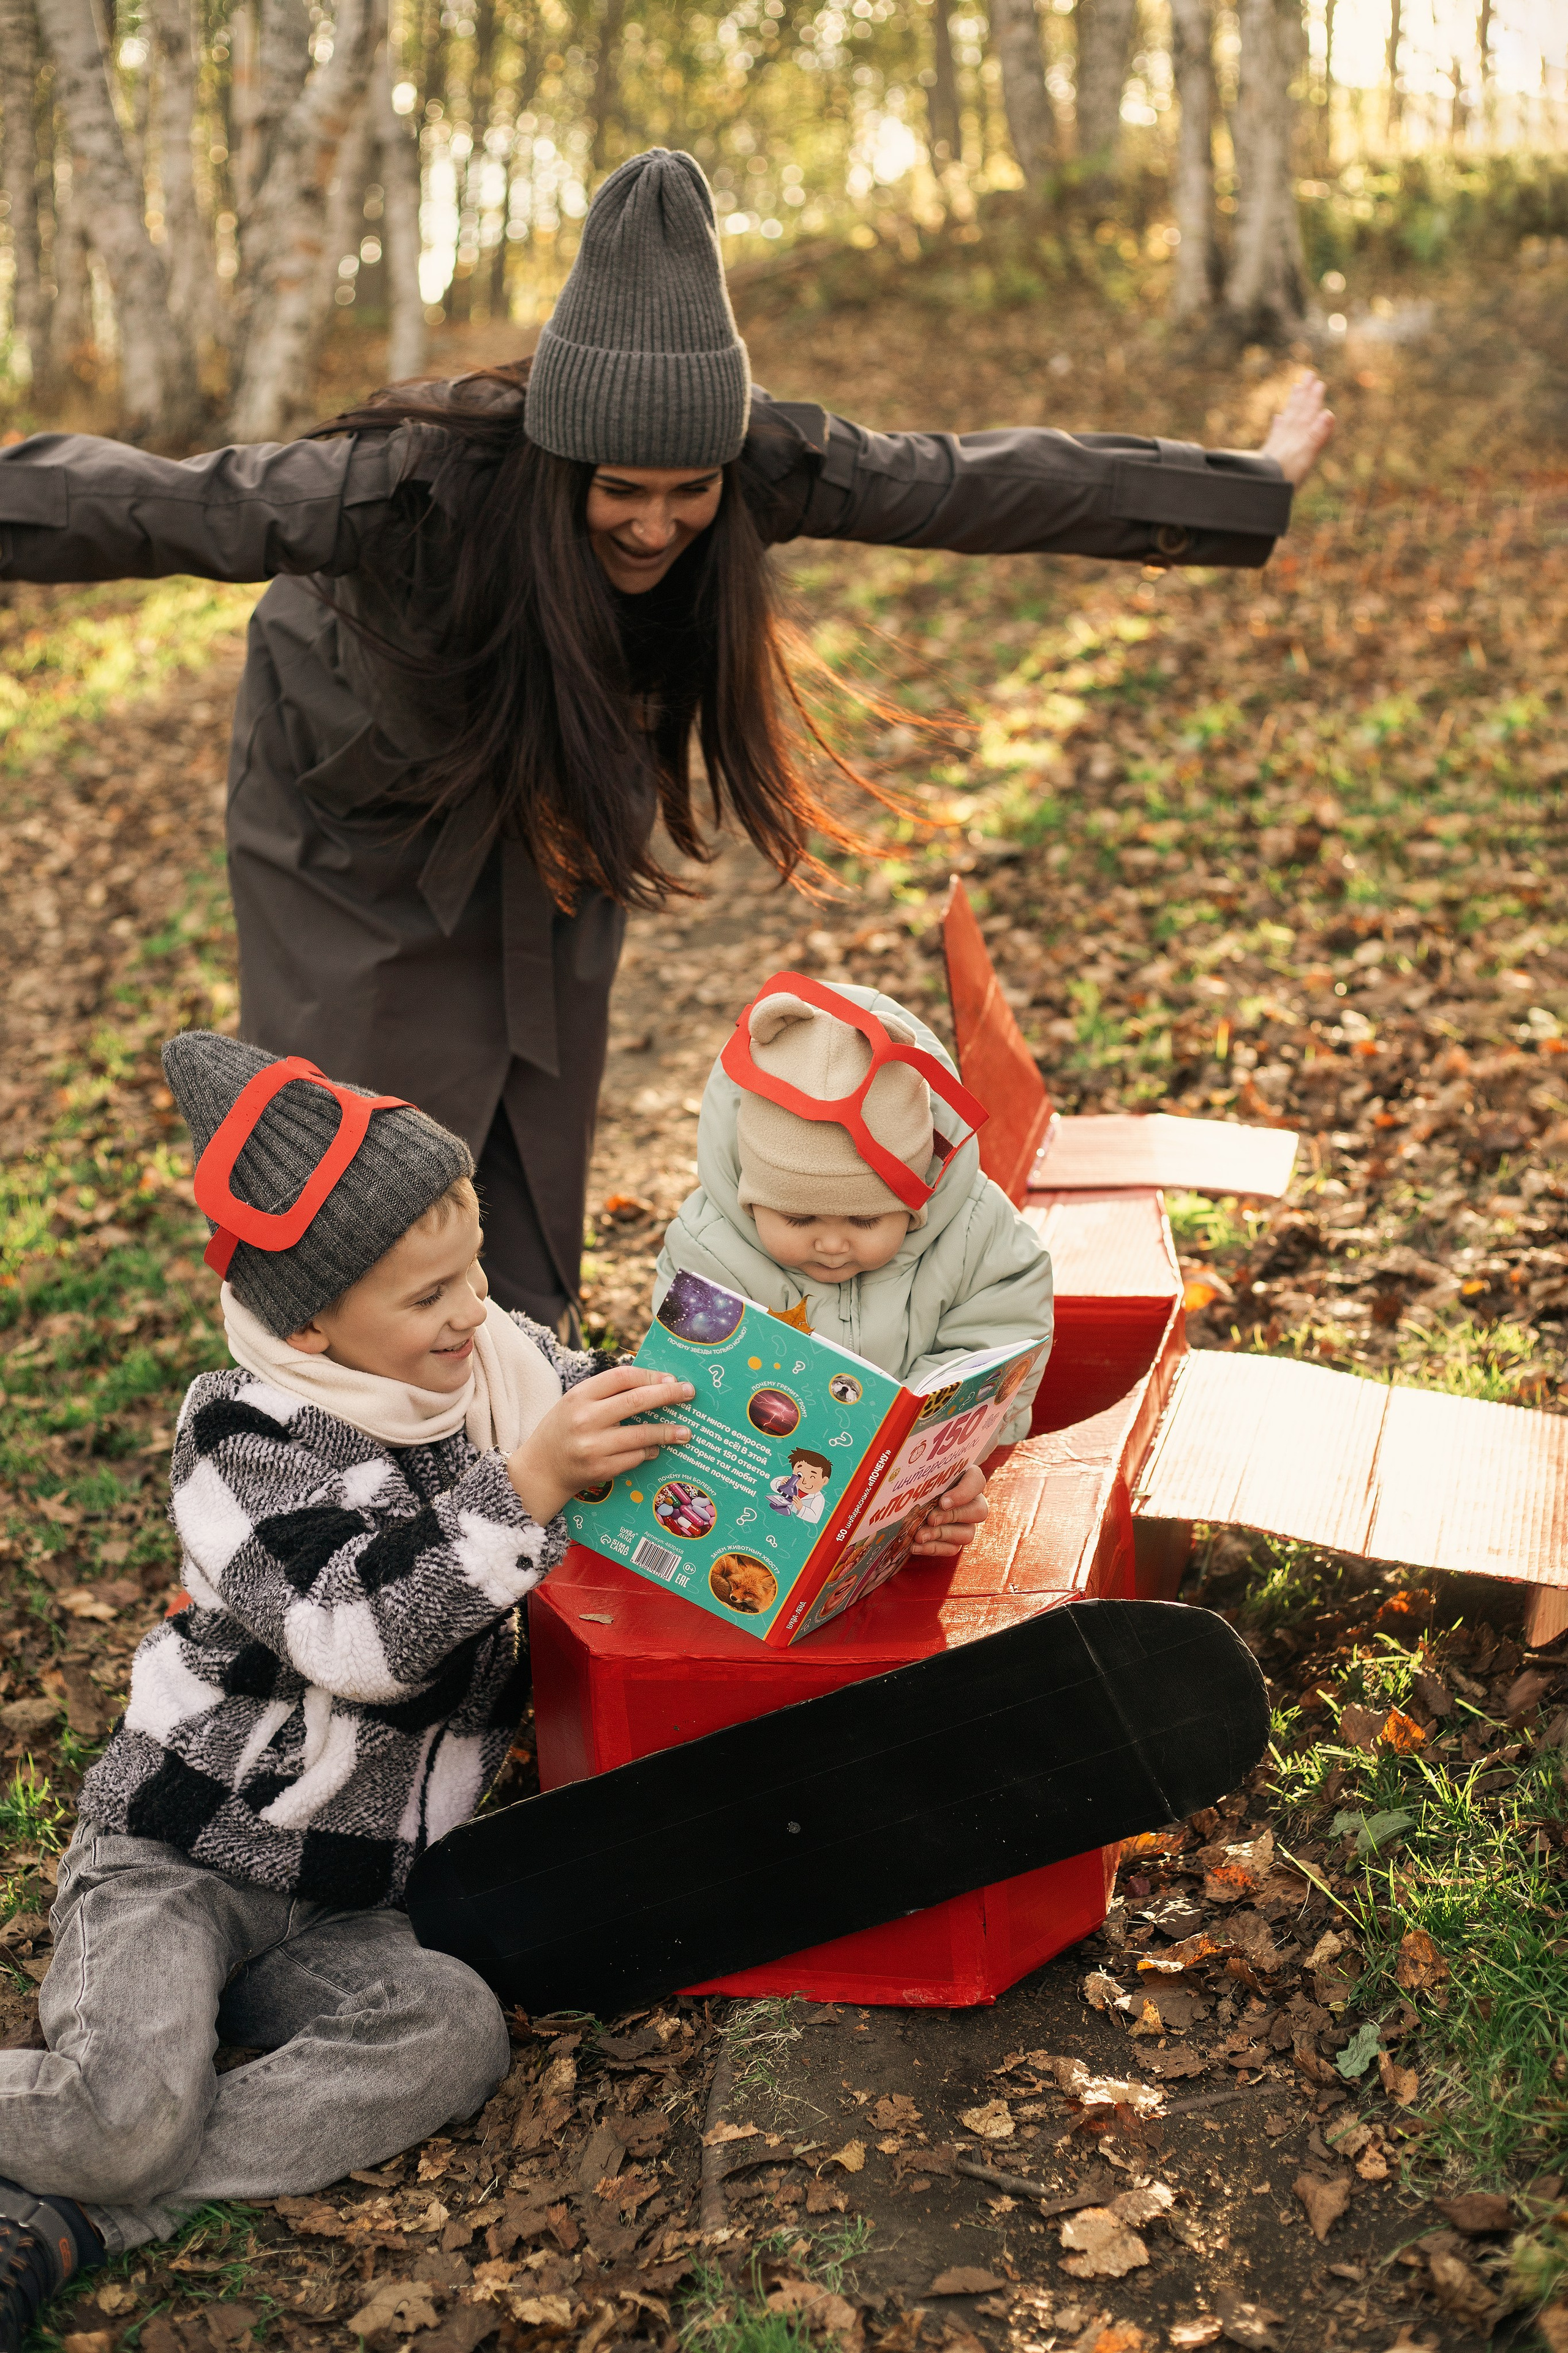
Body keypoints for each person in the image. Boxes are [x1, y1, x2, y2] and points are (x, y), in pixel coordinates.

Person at [0, 149, 1333, 1340]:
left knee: (538, 1058)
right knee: (370, 1114)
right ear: (556, 458)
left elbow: (971, 479)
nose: (653, 524)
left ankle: (515, 1339)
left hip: (551, 758)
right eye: (617, 493)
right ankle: (323, 1404)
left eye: (686, 492)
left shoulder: (762, 462)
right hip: (349, 794)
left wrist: (1239, 487)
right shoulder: (413, 483)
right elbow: (166, 506)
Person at [0, 1040, 695, 2344]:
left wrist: (829, 1466)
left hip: (344, 1897)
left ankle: (85, 2215)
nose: (471, 1314)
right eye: (427, 1294)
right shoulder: (243, 1436)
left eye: (474, 1269)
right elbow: (356, 1640)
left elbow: (654, 1429)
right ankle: (93, 2155)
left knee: (448, 2030)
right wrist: (528, 1487)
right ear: (311, 1320)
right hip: (185, 1856)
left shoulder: (505, 1371)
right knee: (119, 2109)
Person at [655, 972, 1054, 1557]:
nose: (833, 1244)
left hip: (915, 1520)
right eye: (799, 1220)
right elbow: (684, 1385)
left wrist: (950, 1471)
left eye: (866, 1222)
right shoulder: (708, 1248)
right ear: (749, 1195)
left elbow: (999, 1344)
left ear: (916, 1198)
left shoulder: (974, 1232)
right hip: (757, 1510)